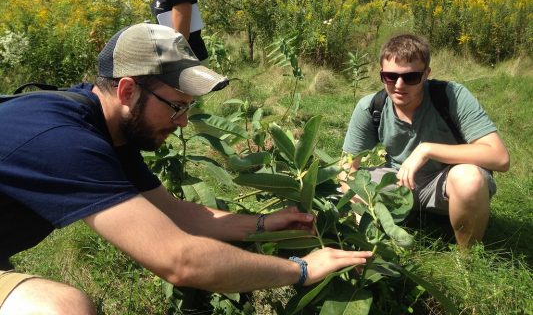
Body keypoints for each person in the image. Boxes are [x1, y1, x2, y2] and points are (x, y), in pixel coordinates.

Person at [0, 23, 372, 314]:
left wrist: (264, 224)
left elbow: (176, 213)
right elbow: (181, 260)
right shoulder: (63, 139)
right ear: (128, 90)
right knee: (62, 309)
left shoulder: (107, 126)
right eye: (177, 106)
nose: (183, 122)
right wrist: (302, 270)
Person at [340, 34, 510, 248]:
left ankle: (468, 259)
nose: (399, 85)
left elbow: (500, 157)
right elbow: (347, 168)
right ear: (381, 74)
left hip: (445, 181)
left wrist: (427, 150)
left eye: (410, 77)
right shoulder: (371, 107)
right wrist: (358, 209)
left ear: (426, 74)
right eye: (390, 77)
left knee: (469, 179)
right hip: (399, 181)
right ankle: (372, 241)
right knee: (339, 191)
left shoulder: (451, 96)